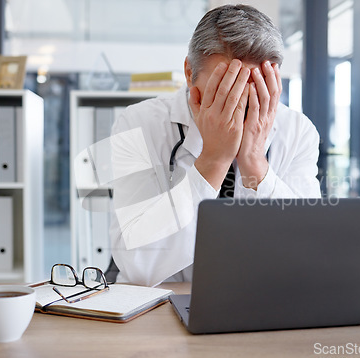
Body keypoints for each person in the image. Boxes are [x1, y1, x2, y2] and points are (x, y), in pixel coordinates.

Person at [108, 4, 321, 287]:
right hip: (160, 307)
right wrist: (213, 161)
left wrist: (256, 164)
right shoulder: (138, 123)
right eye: (223, 92)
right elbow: (139, 267)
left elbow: (310, 251)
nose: (236, 108)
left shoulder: (298, 131)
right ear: (189, 72)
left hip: (261, 301)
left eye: (254, 93)